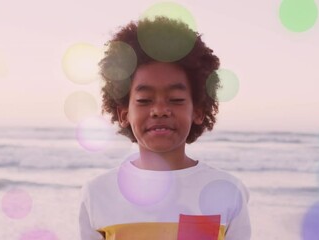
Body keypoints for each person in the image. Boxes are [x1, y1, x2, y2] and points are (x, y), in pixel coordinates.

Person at [79, 16, 251, 240]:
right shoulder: (97, 194)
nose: (159, 110)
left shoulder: (228, 191)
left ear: (198, 110)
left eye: (176, 99)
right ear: (124, 114)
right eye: (144, 100)